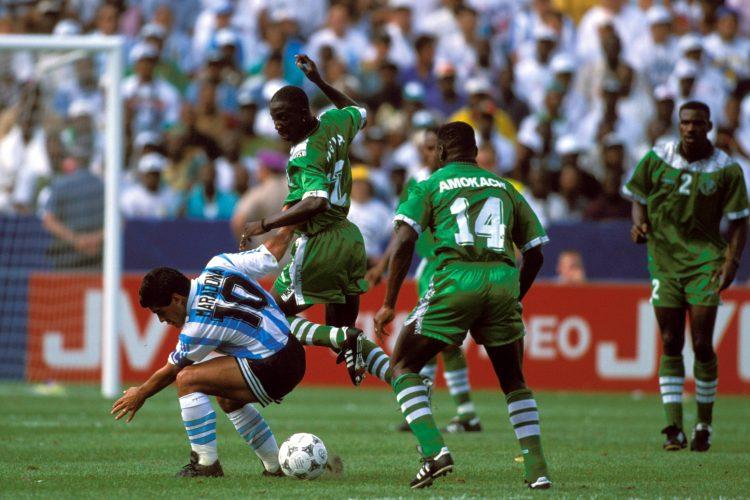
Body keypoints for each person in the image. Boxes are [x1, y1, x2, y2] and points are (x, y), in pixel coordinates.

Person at [374, 121, 552, 490]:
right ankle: (537, 470)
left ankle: (434, 451)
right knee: (513, 380)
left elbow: (405, 239)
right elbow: (535, 252)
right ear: (475, 151)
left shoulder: (430, 184)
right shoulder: (504, 187)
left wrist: (389, 302)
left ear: (441, 151)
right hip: (502, 280)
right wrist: (514, 296)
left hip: (455, 279)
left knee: (403, 364)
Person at [110, 226, 352, 477]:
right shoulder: (219, 264)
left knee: (187, 380)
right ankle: (274, 466)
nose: (162, 320)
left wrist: (141, 393)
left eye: (160, 312)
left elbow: (172, 370)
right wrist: (289, 224)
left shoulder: (197, 326)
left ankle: (206, 464)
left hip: (274, 364)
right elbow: (272, 252)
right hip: (291, 348)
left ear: (177, 299)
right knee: (228, 399)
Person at [240, 54, 390, 387]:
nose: (278, 125)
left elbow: (316, 201)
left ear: (303, 113)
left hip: (320, 242)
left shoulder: (304, 153)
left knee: (271, 316)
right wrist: (321, 82)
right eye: (274, 119)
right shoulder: (334, 122)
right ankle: (394, 374)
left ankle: (342, 340)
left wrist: (264, 224)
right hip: (349, 240)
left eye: (283, 117)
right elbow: (359, 111)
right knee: (340, 330)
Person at [623, 101, 749, 452]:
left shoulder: (726, 168)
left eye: (697, 123)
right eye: (685, 123)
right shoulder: (658, 157)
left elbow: (740, 220)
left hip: (706, 261)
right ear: (679, 125)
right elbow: (637, 197)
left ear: (709, 126)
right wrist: (639, 224)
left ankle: (704, 425)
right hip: (664, 260)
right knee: (669, 339)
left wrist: (732, 262)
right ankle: (673, 428)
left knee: (702, 342)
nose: (691, 128)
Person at [368, 127, 483, 434]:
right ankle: (437, 410)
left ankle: (460, 413)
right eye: (428, 148)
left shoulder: (457, 181)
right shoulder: (418, 182)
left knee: (439, 340)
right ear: (422, 151)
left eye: (436, 147)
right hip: (431, 266)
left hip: (452, 266)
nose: (433, 153)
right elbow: (403, 232)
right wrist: (383, 265)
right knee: (429, 338)